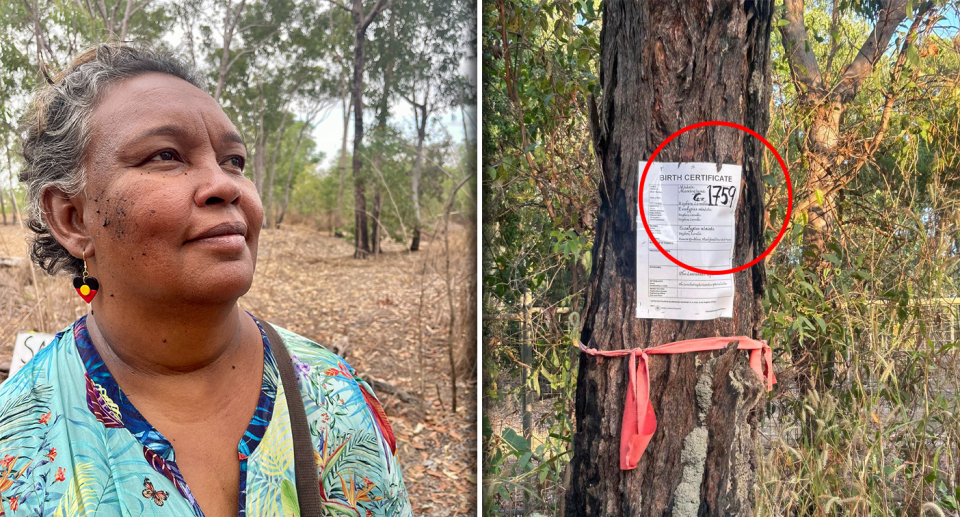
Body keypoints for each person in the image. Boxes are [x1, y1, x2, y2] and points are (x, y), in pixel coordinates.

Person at [1, 43, 412, 517]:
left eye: (233, 160)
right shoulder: (18, 443)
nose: (225, 185)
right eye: (166, 154)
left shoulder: (337, 398)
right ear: (72, 218)